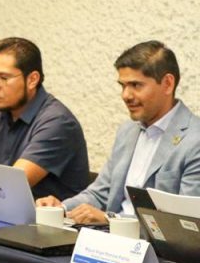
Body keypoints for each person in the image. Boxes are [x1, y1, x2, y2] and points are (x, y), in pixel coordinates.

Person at [37, 40, 200, 223]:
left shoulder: (194, 141)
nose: (126, 95)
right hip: (108, 236)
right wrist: (60, 208)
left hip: (148, 241)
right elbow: (100, 193)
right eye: (123, 86)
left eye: (136, 85)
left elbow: (187, 224)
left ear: (167, 84)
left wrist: (111, 219)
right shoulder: (128, 131)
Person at [0, 37, 89, 201]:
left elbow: (8, 188)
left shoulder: (57, 122)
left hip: (47, 215)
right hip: (5, 211)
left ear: (32, 80)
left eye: (3, 78)